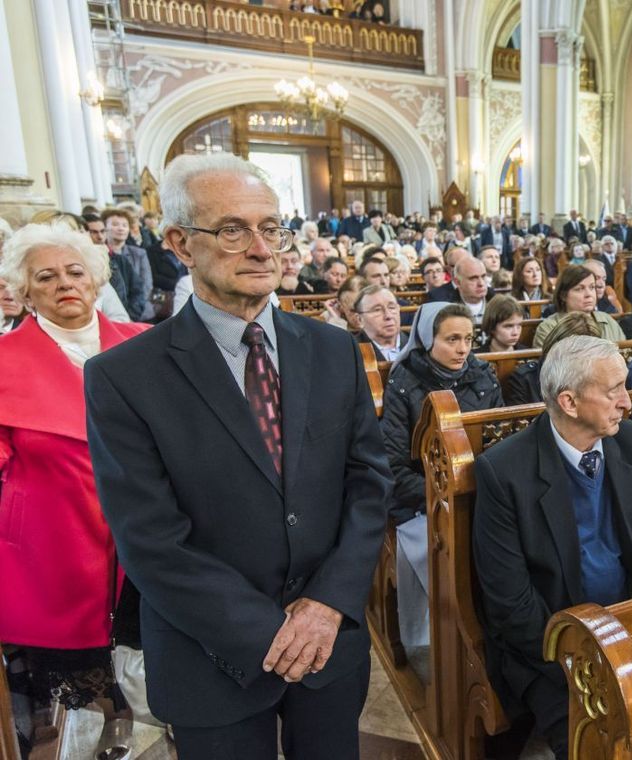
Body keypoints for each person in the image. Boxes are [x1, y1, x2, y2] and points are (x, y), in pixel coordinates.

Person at [85, 154, 391, 759]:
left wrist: (328, 604)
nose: (260, 248)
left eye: (271, 228)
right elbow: (150, 539)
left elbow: (369, 486)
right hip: (210, 655)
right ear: (179, 243)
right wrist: (272, 632)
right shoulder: (124, 376)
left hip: (331, 645)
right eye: (232, 230)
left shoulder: (332, 349)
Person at [472, 336, 632, 759]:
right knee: (601, 742)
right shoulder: (505, 470)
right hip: (549, 648)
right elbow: (510, 603)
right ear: (569, 402)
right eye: (614, 390)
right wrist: (582, 662)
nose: (627, 401)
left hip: (630, 626)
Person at [0, 222, 148, 759]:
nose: (64, 283)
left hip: (145, 542)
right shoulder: (4, 361)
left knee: (151, 676)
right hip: (52, 550)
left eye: (75, 271)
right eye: (46, 276)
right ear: (23, 290)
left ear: (95, 279)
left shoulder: (143, 343)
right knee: (74, 702)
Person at [380, 302, 502, 648]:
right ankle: (438, 645)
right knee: (442, 556)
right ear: (427, 338)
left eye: (468, 338)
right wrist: (443, 495)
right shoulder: (403, 382)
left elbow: (498, 442)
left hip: (480, 494)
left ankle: (491, 636)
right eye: (451, 339)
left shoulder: (483, 376)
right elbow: (393, 463)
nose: (462, 348)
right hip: (420, 499)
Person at [502, 312, 598, 406]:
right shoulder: (524, 379)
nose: (580, 362)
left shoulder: (597, 379)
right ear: (555, 346)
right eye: (575, 353)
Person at [533, 264, 625, 348]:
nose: (589, 294)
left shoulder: (608, 321)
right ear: (563, 295)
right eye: (579, 289)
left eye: (592, 287)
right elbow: (548, 365)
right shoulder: (548, 328)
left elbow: (626, 355)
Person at [427, 255, 489, 321]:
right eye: (473, 278)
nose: (481, 283)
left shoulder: (497, 301)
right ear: (458, 282)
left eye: (483, 276)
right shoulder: (443, 307)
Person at [354, 284, 406, 360]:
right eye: (377, 310)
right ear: (360, 320)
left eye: (392, 307)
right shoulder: (350, 351)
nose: (388, 316)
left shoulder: (418, 345)